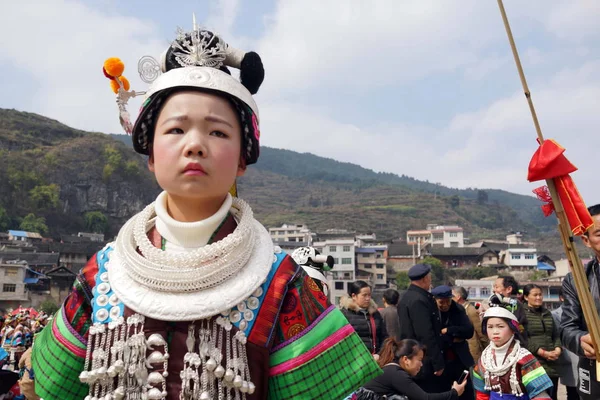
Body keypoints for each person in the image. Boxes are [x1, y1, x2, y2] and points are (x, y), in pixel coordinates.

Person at [30, 20, 381, 400]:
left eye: (217, 132)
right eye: (176, 130)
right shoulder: (104, 272)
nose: (195, 145)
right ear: (151, 155)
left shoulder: (280, 281)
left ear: (242, 159)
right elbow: (46, 387)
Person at [473, 306, 553, 400]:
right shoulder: (484, 360)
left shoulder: (523, 358)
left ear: (512, 329)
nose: (495, 331)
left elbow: (540, 394)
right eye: (490, 327)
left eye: (500, 326)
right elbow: (481, 394)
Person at [562, 203, 600, 399]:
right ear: (586, 240)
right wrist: (580, 340)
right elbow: (567, 327)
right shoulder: (577, 279)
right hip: (594, 371)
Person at [351, 338, 468, 400]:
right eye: (419, 360)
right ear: (406, 359)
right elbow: (425, 398)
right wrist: (454, 393)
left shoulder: (391, 369)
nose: (421, 365)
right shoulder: (396, 374)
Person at [398, 263, 444, 393]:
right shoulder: (420, 300)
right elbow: (425, 333)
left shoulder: (406, 297)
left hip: (410, 355)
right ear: (425, 279)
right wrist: (437, 362)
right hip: (423, 358)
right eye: (429, 277)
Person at [432, 285, 475, 400]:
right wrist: (453, 337)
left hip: (459, 359)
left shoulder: (457, 309)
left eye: (448, 301)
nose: (445, 305)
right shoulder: (430, 312)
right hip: (441, 360)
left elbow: (469, 331)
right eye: (442, 302)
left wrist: (449, 330)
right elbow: (434, 336)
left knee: (466, 391)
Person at [522, 284, 561, 400]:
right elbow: (523, 338)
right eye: (535, 295)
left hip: (552, 364)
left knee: (552, 396)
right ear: (526, 297)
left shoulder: (547, 313)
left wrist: (558, 349)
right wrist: (542, 353)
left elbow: (555, 334)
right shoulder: (522, 314)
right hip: (533, 364)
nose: (538, 297)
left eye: (540, 295)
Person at [340, 281, 388, 354]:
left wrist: (379, 354)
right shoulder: (344, 314)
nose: (368, 298)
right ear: (354, 296)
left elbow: (384, 337)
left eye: (369, 295)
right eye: (364, 295)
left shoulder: (375, 313)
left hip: (375, 358)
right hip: (355, 359)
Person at [551, 288, 579, 400]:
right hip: (567, 356)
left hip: (581, 355)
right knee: (572, 391)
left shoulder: (580, 312)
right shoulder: (555, 315)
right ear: (561, 298)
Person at [453, 286, 488, 363]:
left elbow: (480, 332)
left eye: (452, 296)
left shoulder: (470, 310)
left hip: (471, 350)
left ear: (458, 297)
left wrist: (487, 350)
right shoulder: (454, 310)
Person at [491, 275, 528, 343]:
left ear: (508, 289)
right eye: (494, 287)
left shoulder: (514, 304)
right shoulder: (495, 303)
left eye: (497, 287)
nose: (494, 290)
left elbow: (514, 326)